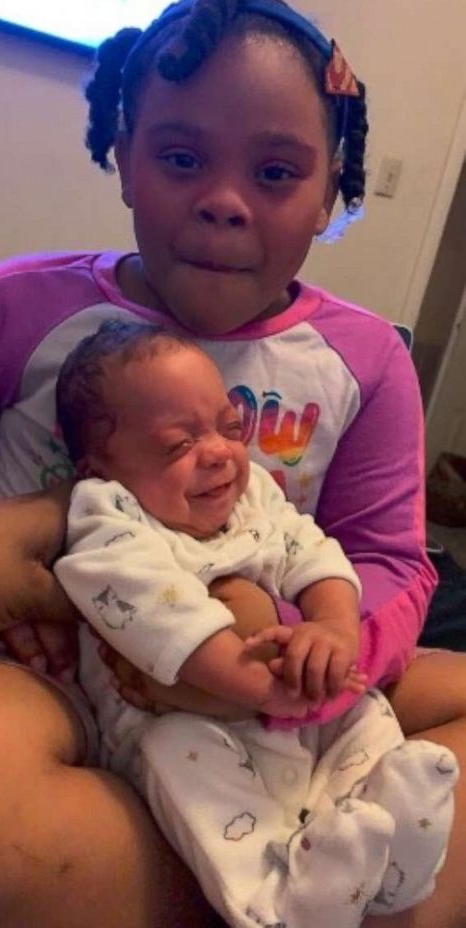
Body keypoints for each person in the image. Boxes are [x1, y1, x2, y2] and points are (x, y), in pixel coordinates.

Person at [0, 0, 466, 928]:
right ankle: (283, 888)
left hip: (288, 666)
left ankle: (313, 871)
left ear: (328, 191)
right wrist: (5, 612)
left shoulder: (364, 361)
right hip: (59, 678)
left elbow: (388, 553)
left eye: (274, 173)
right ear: (124, 151)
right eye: (182, 159)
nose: (225, 199)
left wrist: (324, 644)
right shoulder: (11, 309)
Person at [53, 318, 457, 927]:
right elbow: (156, 614)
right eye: (177, 445)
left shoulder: (254, 498)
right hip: (184, 723)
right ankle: (283, 905)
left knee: (364, 711)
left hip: (293, 708)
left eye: (229, 428)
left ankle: (388, 858)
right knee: (181, 760)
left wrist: (332, 630)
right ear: (99, 466)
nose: (218, 452)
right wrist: (263, 692)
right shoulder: (108, 517)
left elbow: (314, 552)